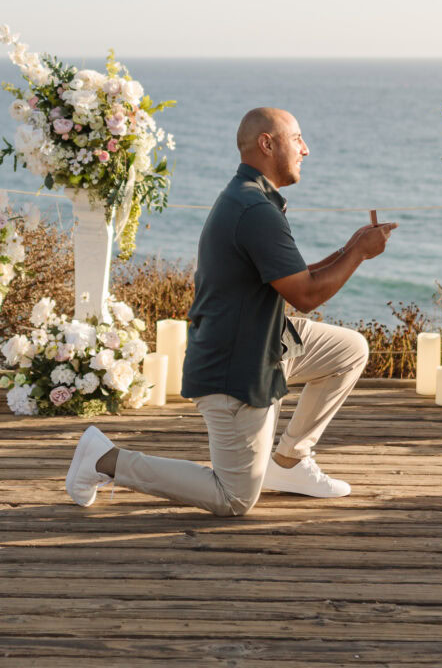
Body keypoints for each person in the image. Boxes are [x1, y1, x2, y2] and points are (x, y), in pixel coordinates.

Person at [65, 107, 397, 515]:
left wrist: (351, 247)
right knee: (234, 498)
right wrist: (361, 253)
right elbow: (306, 297)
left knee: (349, 349)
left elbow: (293, 276)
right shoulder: (254, 209)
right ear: (266, 143)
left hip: (266, 341)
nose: (306, 149)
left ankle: (289, 462)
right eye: (297, 139)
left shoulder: (250, 197)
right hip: (235, 365)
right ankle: (105, 460)